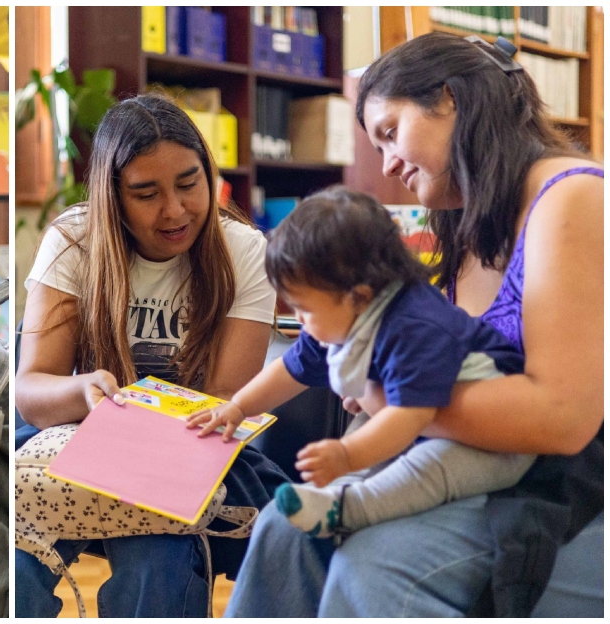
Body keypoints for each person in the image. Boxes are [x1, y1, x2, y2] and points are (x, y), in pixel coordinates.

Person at [225, 32, 603, 618]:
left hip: (549, 476)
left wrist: (388, 399)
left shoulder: (572, 198)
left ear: (449, 100)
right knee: (282, 526)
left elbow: (564, 419)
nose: (388, 165)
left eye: (390, 133)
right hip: (453, 451)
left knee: (373, 563)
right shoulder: (464, 222)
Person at [15, 93, 289, 617]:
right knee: (15, 555)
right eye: (146, 193)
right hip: (80, 439)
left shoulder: (243, 249)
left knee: (158, 560)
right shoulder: (74, 239)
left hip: (194, 450)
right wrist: (81, 390)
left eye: (190, 183)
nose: (175, 210)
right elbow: (32, 387)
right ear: (111, 197)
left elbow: (230, 397)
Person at [188, 187, 533, 538]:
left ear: (360, 297)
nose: (301, 322)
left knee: (428, 470)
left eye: (305, 310)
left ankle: (351, 510)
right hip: (416, 419)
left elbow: (410, 416)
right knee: (367, 425)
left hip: (491, 444)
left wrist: (347, 455)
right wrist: (238, 408)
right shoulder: (345, 317)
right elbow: (292, 368)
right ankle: (341, 493)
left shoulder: (416, 326)